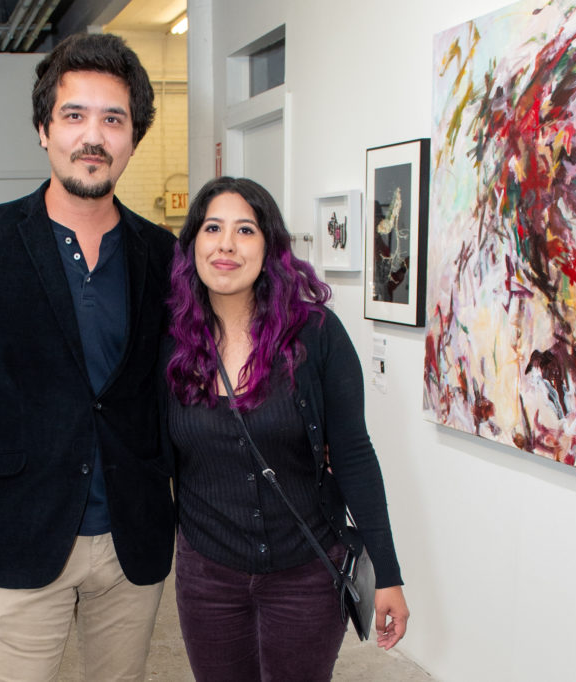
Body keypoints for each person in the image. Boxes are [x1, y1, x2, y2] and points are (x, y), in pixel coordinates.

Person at [0, 33, 176, 681]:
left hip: (130, 536)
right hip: (19, 530)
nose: (93, 136)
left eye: (113, 119)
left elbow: (174, 392)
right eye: (74, 115)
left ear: (134, 138)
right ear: (44, 130)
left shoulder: (162, 254)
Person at [164, 177, 410, 681]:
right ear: (193, 244)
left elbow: (354, 455)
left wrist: (388, 573)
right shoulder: (170, 344)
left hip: (306, 572)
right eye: (212, 228)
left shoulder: (315, 335)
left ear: (269, 246)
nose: (227, 244)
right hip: (208, 574)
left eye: (245, 230)